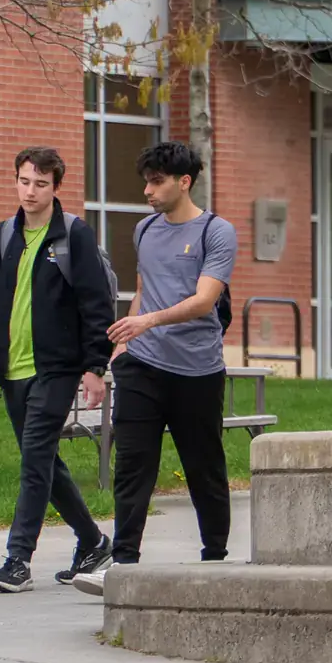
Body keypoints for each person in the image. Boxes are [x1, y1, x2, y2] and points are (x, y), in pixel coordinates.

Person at [74, 141, 238, 597]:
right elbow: (144, 290)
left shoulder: (216, 232)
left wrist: (147, 321)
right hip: (142, 365)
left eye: (156, 181)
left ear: (184, 182)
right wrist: (123, 346)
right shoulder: (144, 230)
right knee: (132, 464)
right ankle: (122, 563)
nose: (147, 190)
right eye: (146, 180)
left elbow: (205, 300)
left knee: (203, 465)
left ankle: (216, 559)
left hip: (197, 371)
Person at [0, 148, 117, 592]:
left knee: (34, 460)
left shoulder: (74, 236)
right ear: (16, 181)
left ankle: (17, 561)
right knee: (45, 461)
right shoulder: (5, 237)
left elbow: (95, 303)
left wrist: (94, 366)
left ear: (55, 187)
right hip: (14, 370)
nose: (30, 192)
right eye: (24, 181)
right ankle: (93, 542)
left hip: (57, 368)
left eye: (41, 184)